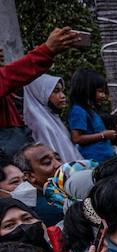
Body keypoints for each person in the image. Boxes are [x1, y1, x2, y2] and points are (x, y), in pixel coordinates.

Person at [0, 26, 81, 160]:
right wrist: (46, 51)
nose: (62, 96)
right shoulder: (37, 122)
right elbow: (11, 76)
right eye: (55, 91)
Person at [20, 75, 80, 163]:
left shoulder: (51, 118)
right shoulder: (40, 123)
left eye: (61, 91)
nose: (63, 96)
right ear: (40, 93)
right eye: (56, 91)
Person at [65, 69, 116, 163]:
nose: (103, 96)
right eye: (100, 91)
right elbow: (76, 138)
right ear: (87, 90)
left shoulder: (90, 110)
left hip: (105, 158)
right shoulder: (78, 111)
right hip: (94, 161)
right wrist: (103, 135)